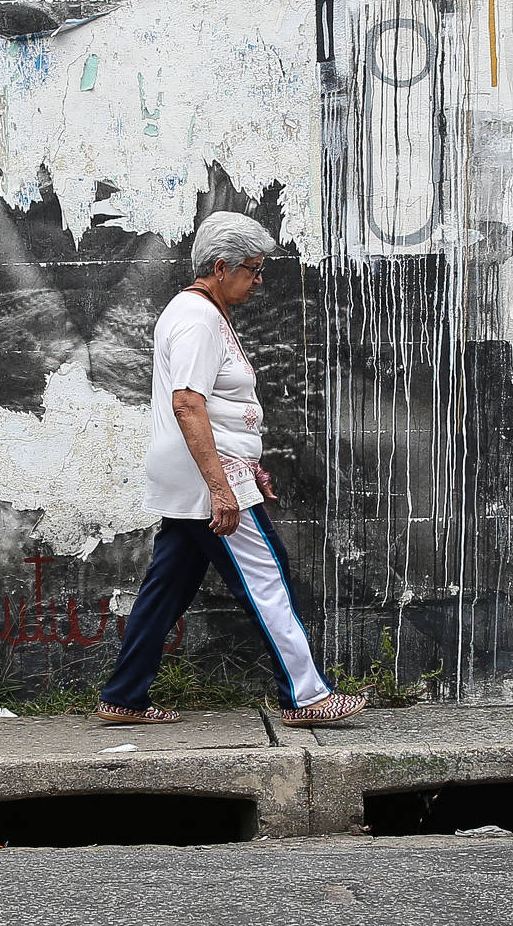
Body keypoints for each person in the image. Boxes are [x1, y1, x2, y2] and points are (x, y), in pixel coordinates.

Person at [95, 212, 368, 729]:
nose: (259, 280)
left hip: (206, 470)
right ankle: (307, 696)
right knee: (268, 575)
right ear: (220, 267)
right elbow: (188, 405)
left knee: (167, 586)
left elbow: (217, 406)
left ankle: (124, 696)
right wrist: (222, 487)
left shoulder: (200, 312)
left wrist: (249, 464)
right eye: (253, 269)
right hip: (209, 476)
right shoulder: (197, 319)